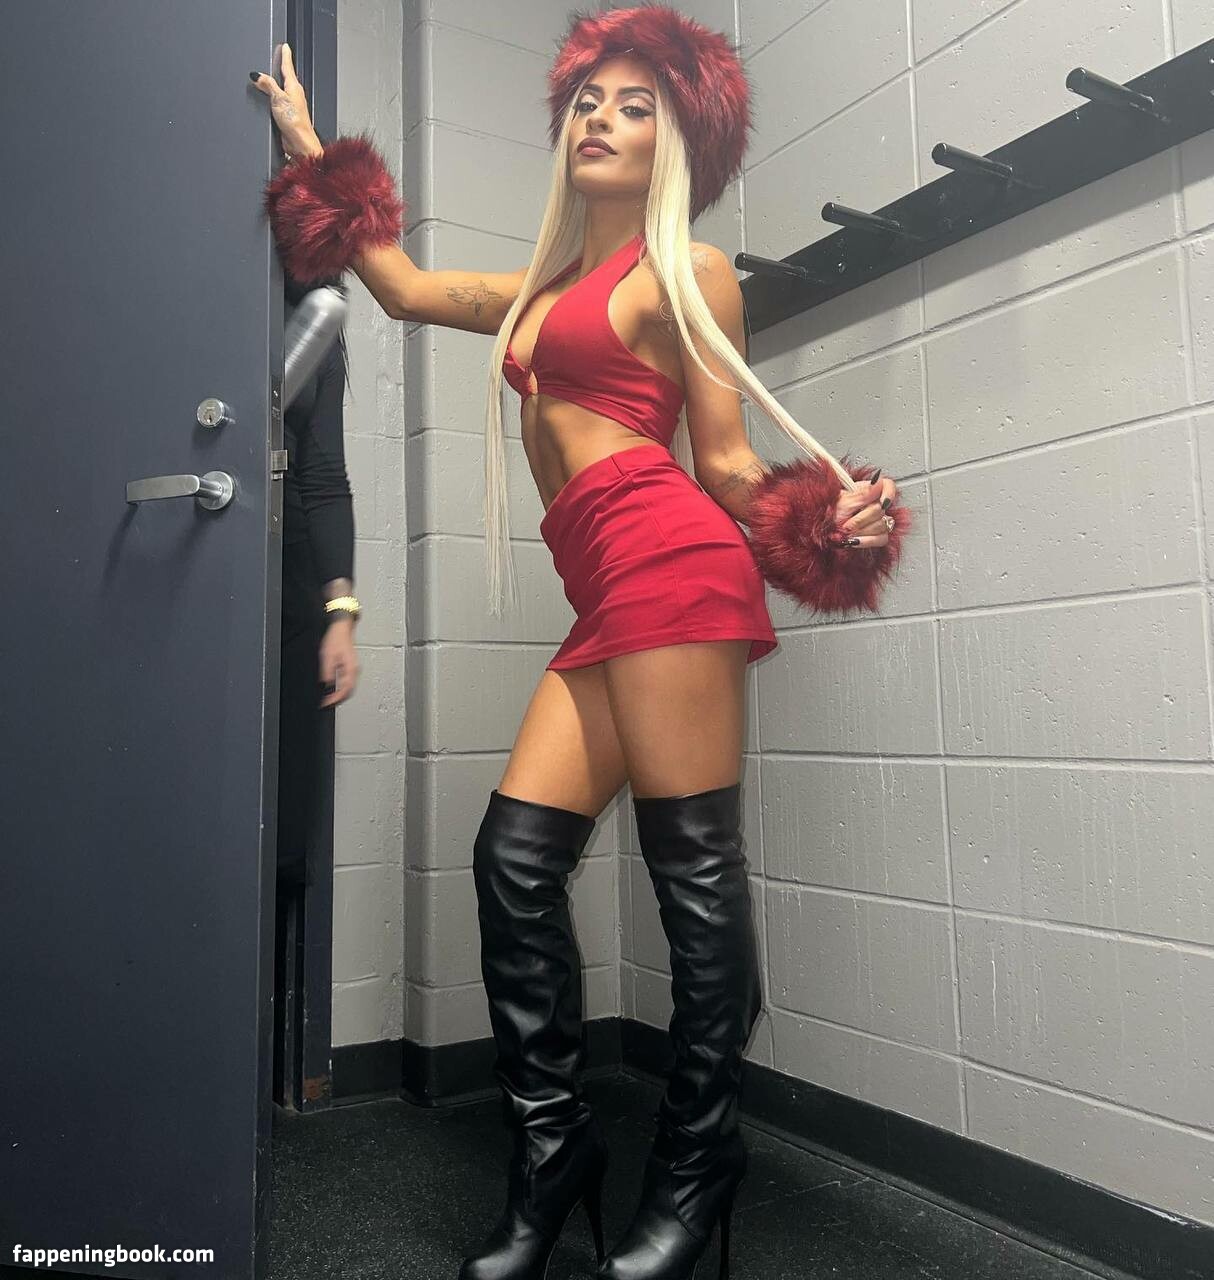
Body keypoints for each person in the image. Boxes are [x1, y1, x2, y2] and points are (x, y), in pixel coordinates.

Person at [252, 9, 900, 1279]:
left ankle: (697, 1164)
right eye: (589, 100)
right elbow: (400, 285)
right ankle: (554, 1153)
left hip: (672, 568)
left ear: (679, 139)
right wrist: (307, 144)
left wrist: (827, 520)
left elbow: (722, 462)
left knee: (691, 873)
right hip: (604, 597)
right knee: (511, 861)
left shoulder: (687, 272)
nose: (601, 117)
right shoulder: (538, 294)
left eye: (634, 104)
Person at [275, 272, 360, 891]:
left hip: (290, 585)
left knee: (283, 814)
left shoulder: (318, 312)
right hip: (192, 569)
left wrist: (341, 617)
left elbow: (325, 477)